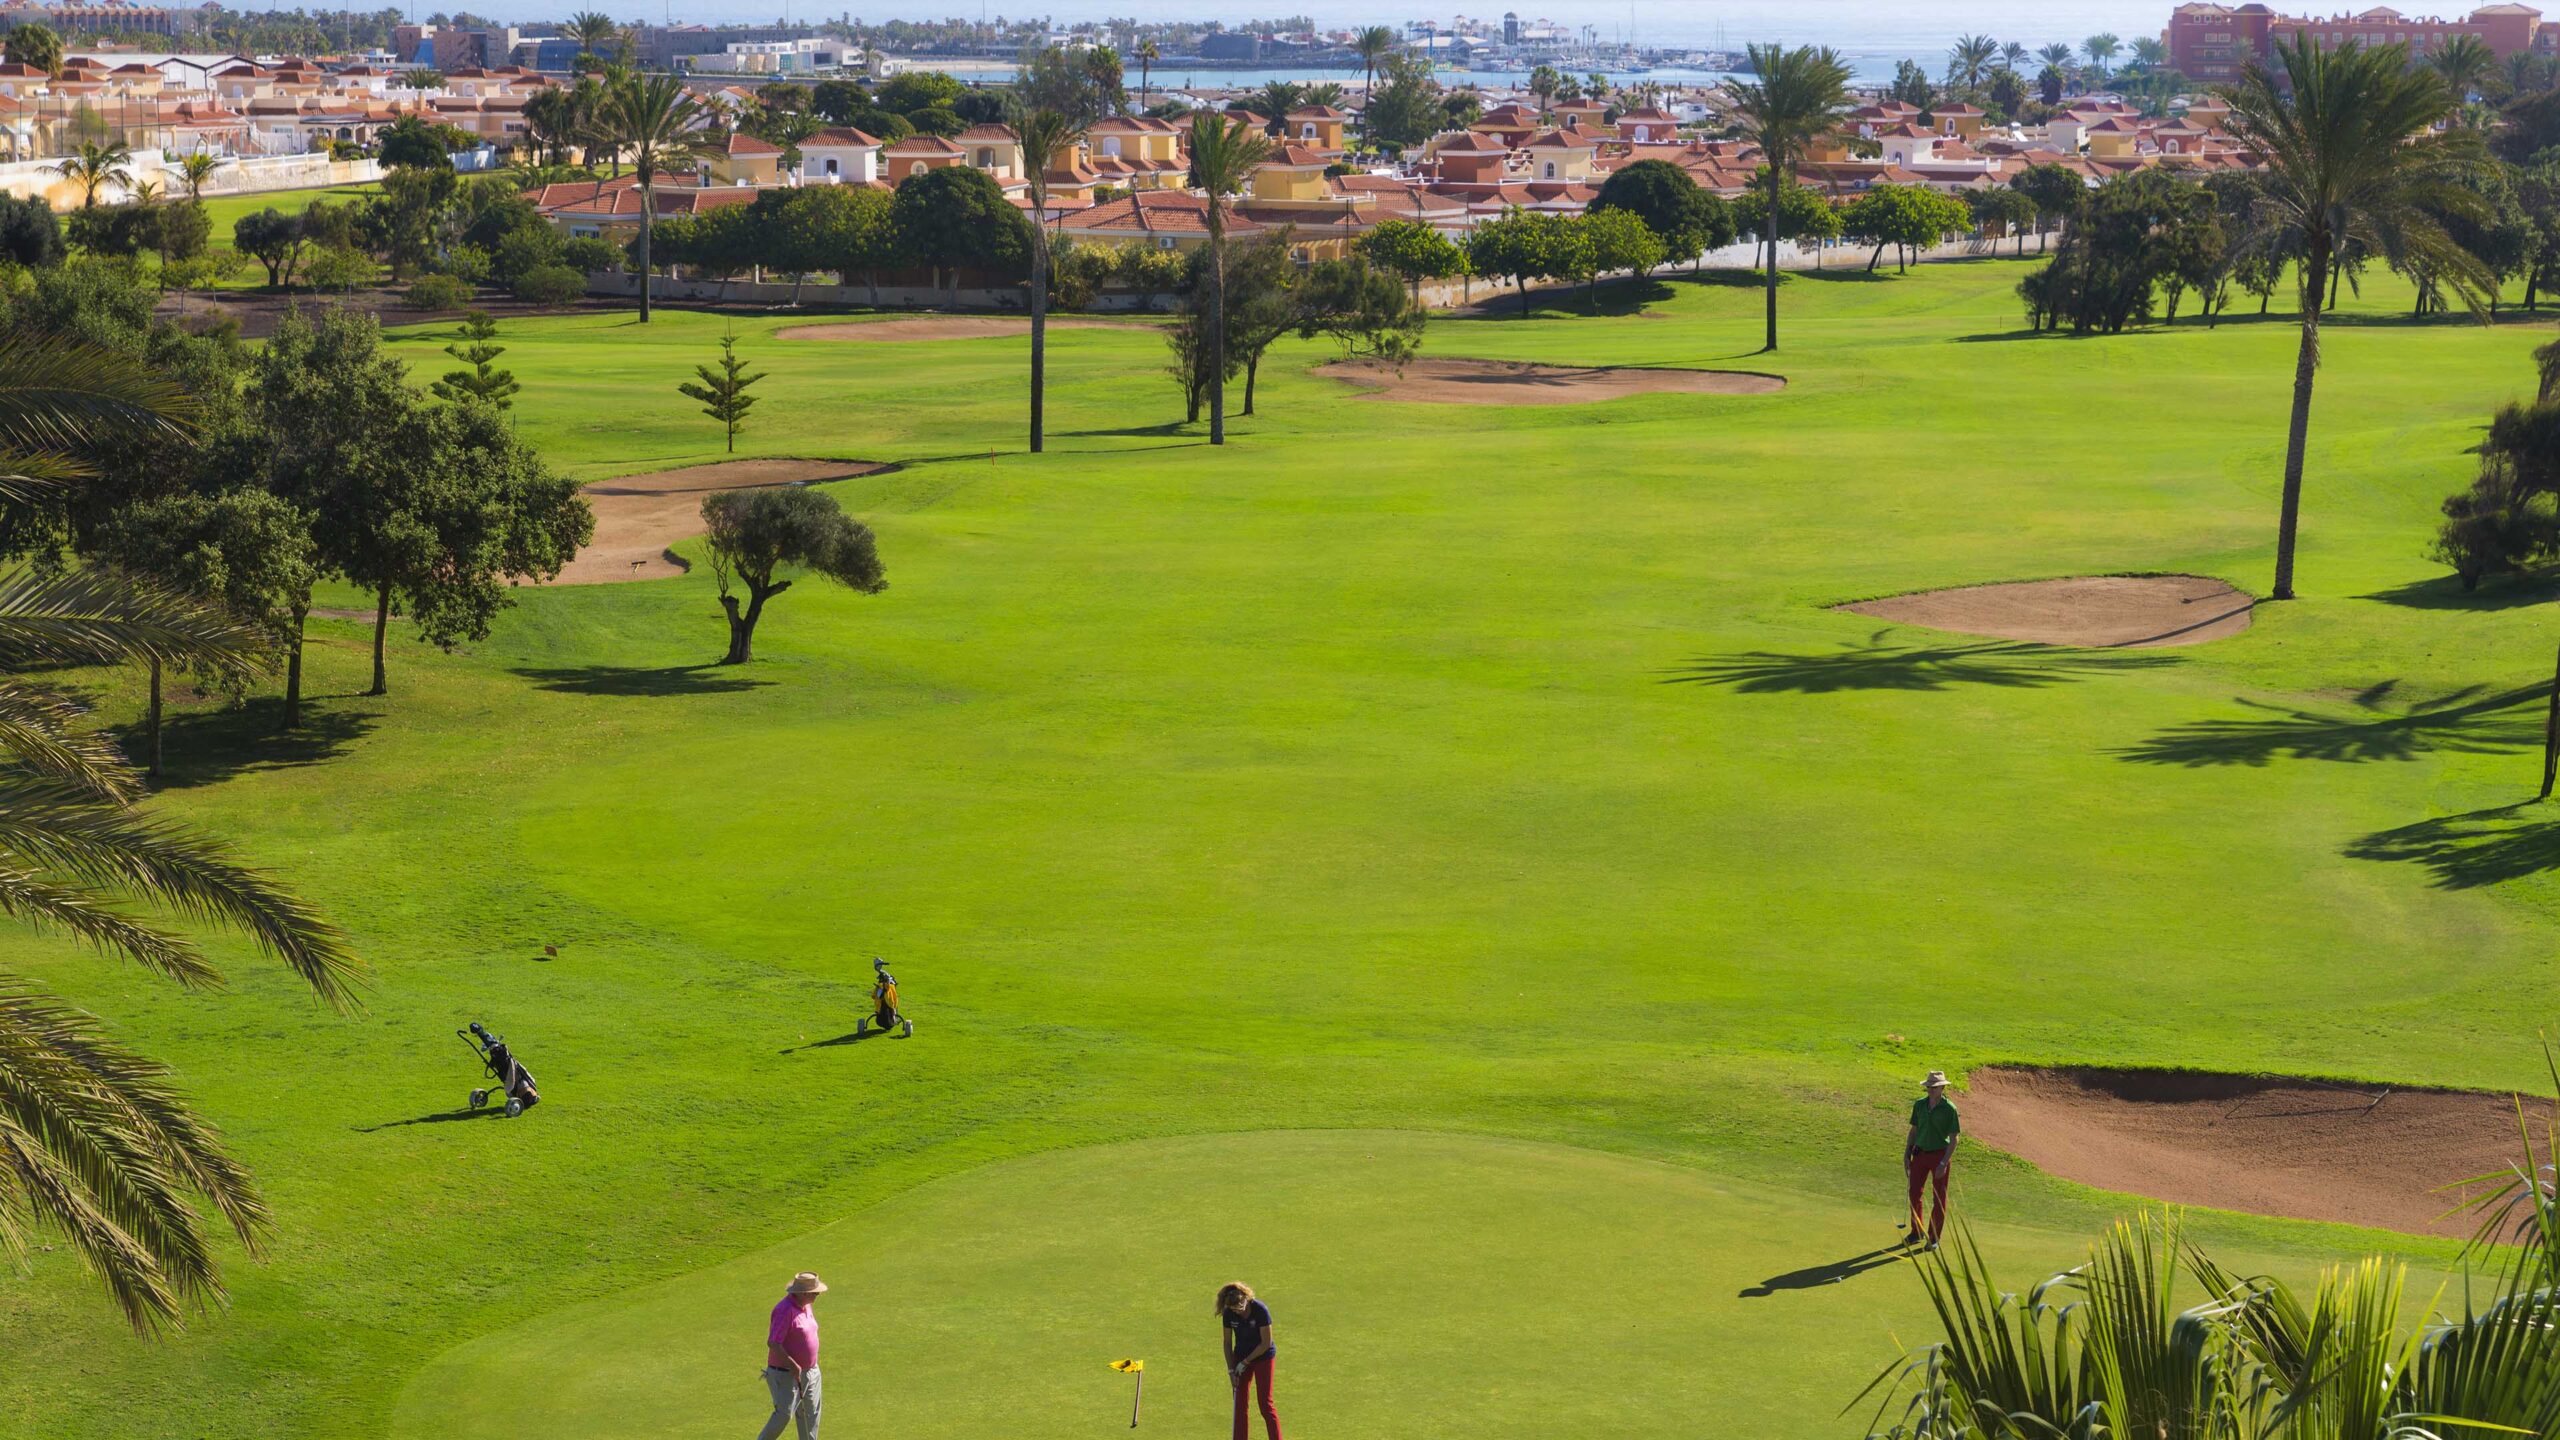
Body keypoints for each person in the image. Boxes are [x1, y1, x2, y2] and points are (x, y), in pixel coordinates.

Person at [758, 1272, 826, 1440]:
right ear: (803, 1293)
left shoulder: (806, 1306)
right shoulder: (784, 1310)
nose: (818, 1294)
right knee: (783, 1415)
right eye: (815, 1292)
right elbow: (773, 1342)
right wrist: (792, 1364)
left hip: (811, 1371)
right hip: (785, 1373)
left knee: (810, 1416)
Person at [1903, 1070, 1960, 1250]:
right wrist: (1906, 1153)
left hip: (1939, 1156)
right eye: (1928, 1087)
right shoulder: (1919, 1105)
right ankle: (1916, 1232)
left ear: (1942, 1087)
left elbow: (1954, 1139)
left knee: (1939, 1198)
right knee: (1914, 1193)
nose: (1931, 1090)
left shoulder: (1949, 1108)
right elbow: (1914, 1131)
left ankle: (1934, 1238)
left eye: (1934, 1087)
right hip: (1919, 1154)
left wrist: (1944, 1162)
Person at [1217, 1281, 1281, 1440]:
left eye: (1240, 1307)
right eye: (1234, 1310)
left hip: (1263, 1357)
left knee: (1265, 1405)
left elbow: (1266, 1343)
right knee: (1239, 1404)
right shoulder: (1229, 1314)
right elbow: (1227, 1342)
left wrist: (1245, 1362)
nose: (1238, 1312)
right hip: (1240, 1357)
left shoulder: (1260, 1310)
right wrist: (1231, 1370)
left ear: (1245, 1298)